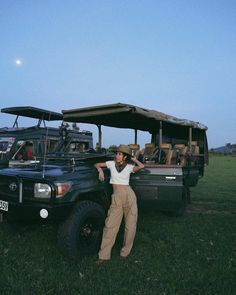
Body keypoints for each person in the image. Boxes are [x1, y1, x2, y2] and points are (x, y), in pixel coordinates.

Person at [94, 144, 145, 264]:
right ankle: (103, 255)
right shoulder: (111, 164)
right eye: (117, 153)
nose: (117, 156)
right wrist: (100, 170)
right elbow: (97, 164)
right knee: (110, 225)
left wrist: (134, 159)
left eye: (120, 154)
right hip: (116, 195)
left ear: (125, 157)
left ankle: (125, 253)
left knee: (130, 225)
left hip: (129, 195)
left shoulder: (129, 167)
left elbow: (142, 166)